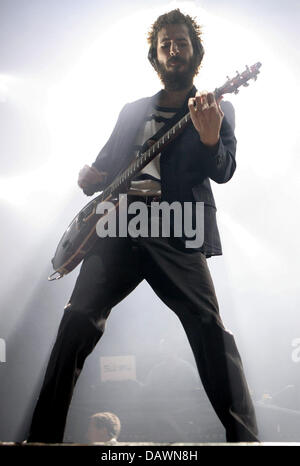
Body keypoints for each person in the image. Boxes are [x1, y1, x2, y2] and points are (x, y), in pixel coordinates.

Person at [27, 9, 258, 443]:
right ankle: (43, 437)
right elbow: (103, 168)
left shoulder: (217, 106)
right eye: (166, 44)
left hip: (175, 226)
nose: (174, 49)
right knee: (76, 319)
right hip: (117, 228)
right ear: (155, 55)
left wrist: (210, 138)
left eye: (182, 43)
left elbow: (224, 170)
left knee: (209, 327)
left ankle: (245, 439)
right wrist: (87, 177)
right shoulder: (131, 111)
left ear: (195, 53)